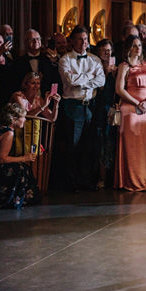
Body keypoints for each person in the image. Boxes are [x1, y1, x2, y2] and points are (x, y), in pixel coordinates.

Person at [58, 26, 105, 192]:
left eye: (86, 39)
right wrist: (89, 78)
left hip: (90, 105)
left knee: (89, 144)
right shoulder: (65, 59)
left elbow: (101, 81)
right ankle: (72, 183)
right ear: (72, 41)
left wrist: (83, 80)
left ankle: (87, 181)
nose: (84, 43)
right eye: (80, 39)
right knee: (73, 145)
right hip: (73, 104)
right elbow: (70, 81)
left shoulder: (95, 60)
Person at [114, 35, 146, 192]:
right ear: (128, 48)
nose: (138, 48)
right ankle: (131, 181)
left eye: (140, 46)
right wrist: (137, 103)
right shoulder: (124, 66)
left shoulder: (145, 65)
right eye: (134, 45)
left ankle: (143, 180)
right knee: (131, 148)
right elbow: (119, 89)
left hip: (143, 110)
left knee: (142, 147)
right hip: (130, 110)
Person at [0, 103, 40, 208]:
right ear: (14, 119)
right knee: (22, 169)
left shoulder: (0, 127)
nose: (25, 120)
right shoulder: (9, 133)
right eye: (23, 117)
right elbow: (2, 159)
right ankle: (15, 200)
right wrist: (24, 158)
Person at [92, 39, 118, 190]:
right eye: (104, 50)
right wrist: (105, 73)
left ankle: (113, 177)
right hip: (99, 108)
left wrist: (114, 74)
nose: (107, 53)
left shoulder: (117, 66)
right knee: (101, 143)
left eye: (109, 50)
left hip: (113, 107)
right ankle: (101, 177)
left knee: (112, 142)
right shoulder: (95, 66)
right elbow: (99, 90)